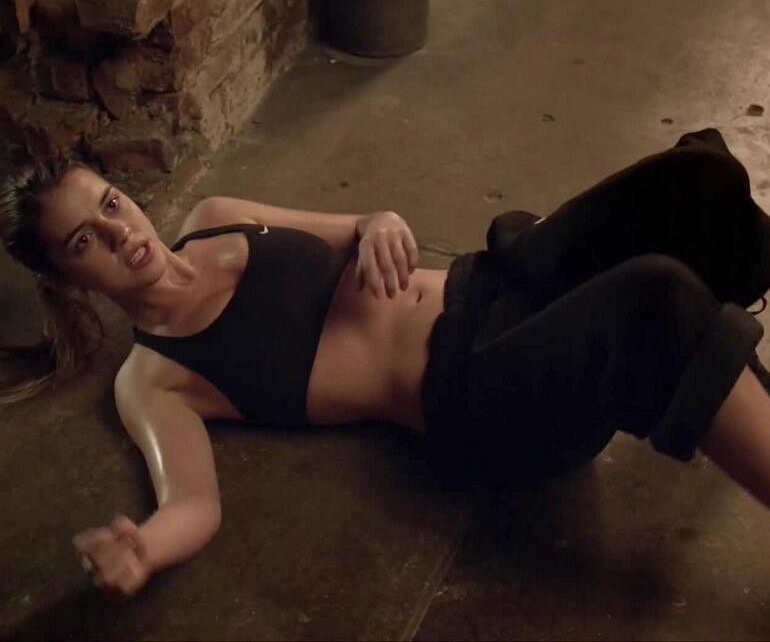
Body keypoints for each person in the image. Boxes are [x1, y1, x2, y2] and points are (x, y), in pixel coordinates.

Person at [2, 127, 770, 598]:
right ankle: (701, 365)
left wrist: (381, 225)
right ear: (69, 280)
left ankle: (723, 381)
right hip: (481, 390)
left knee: (694, 182)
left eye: (109, 203)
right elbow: (193, 504)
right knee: (655, 304)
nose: (119, 232)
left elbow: (363, 222)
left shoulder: (215, 217)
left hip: (496, 283)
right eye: (84, 242)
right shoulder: (154, 378)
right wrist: (144, 547)